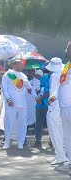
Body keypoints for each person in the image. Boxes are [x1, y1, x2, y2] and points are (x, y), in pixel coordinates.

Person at [49, 42, 71, 172]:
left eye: (68, 48)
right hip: (64, 108)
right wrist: (54, 96)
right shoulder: (66, 67)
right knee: (67, 136)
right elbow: (60, 85)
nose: (66, 50)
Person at [2, 60, 32, 150]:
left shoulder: (23, 75)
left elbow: (28, 86)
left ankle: (20, 143)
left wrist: (31, 90)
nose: (22, 66)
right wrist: (8, 99)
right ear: (14, 65)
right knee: (9, 122)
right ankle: (7, 142)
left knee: (22, 123)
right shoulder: (8, 74)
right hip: (11, 103)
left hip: (22, 103)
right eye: (20, 64)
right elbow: (4, 87)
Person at [45, 57, 68, 165]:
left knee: (55, 133)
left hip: (54, 108)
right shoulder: (65, 72)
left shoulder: (54, 76)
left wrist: (51, 109)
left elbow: (54, 92)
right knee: (63, 133)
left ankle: (60, 156)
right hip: (63, 107)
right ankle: (61, 155)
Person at [33, 68, 50, 148]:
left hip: (46, 104)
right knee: (41, 123)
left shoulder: (52, 77)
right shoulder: (46, 77)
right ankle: (39, 141)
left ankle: (40, 141)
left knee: (44, 123)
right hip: (42, 104)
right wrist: (38, 96)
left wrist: (40, 98)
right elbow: (41, 89)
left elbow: (49, 91)